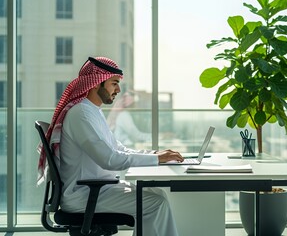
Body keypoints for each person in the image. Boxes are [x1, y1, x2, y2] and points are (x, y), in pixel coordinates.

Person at [37, 56, 183, 236]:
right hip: (85, 195)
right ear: (96, 83)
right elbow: (109, 160)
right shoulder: (81, 114)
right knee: (156, 203)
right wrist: (156, 159)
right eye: (114, 83)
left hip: (98, 189)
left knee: (158, 194)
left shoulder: (92, 111)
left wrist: (155, 154)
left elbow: (119, 149)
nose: (118, 90)